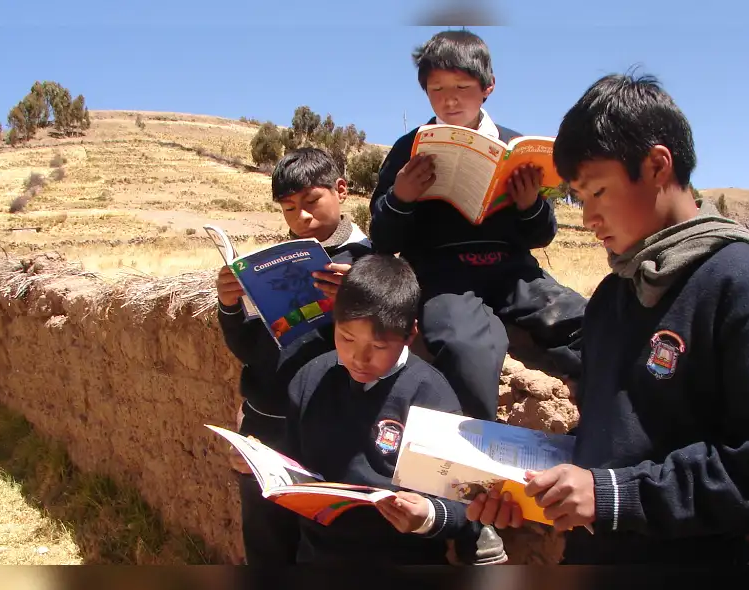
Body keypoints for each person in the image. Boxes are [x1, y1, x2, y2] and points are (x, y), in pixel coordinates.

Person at [465, 72, 749, 566]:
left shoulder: (742, 282)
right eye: (580, 200)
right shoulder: (614, 295)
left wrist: (612, 496)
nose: (588, 218)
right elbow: (616, 440)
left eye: (597, 192)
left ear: (656, 166)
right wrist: (531, 491)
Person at [368, 29, 586, 424]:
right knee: (465, 344)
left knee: (584, 320)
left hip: (512, 272)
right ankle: (479, 450)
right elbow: (384, 240)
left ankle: (599, 414)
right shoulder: (408, 149)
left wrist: (529, 204)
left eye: (462, 86)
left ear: (488, 87)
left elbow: (542, 235)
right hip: (442, 275)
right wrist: (401, 197)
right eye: (437, 89)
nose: (449, 98)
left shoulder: (516, 146)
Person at [216, 147, 372, 565]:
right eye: (288, 208)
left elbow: (390, 345)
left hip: (330, 427)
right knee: (266, 539)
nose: (300, 217)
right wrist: (230, 305)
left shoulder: (371, 263)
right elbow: (253, 350)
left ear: (341, 190)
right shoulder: (273, 268)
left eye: (310, 203)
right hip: (265, 427)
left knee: (324, 546)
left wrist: (360, 298)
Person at [280, 254, 486, 565]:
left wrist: (427, 516)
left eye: (378, 347)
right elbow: (289, 465)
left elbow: (463, 505)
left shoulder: (428, 395)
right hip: (319, 558)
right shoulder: (310, 379)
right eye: (346, 338)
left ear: (409, 335)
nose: (359, 358)